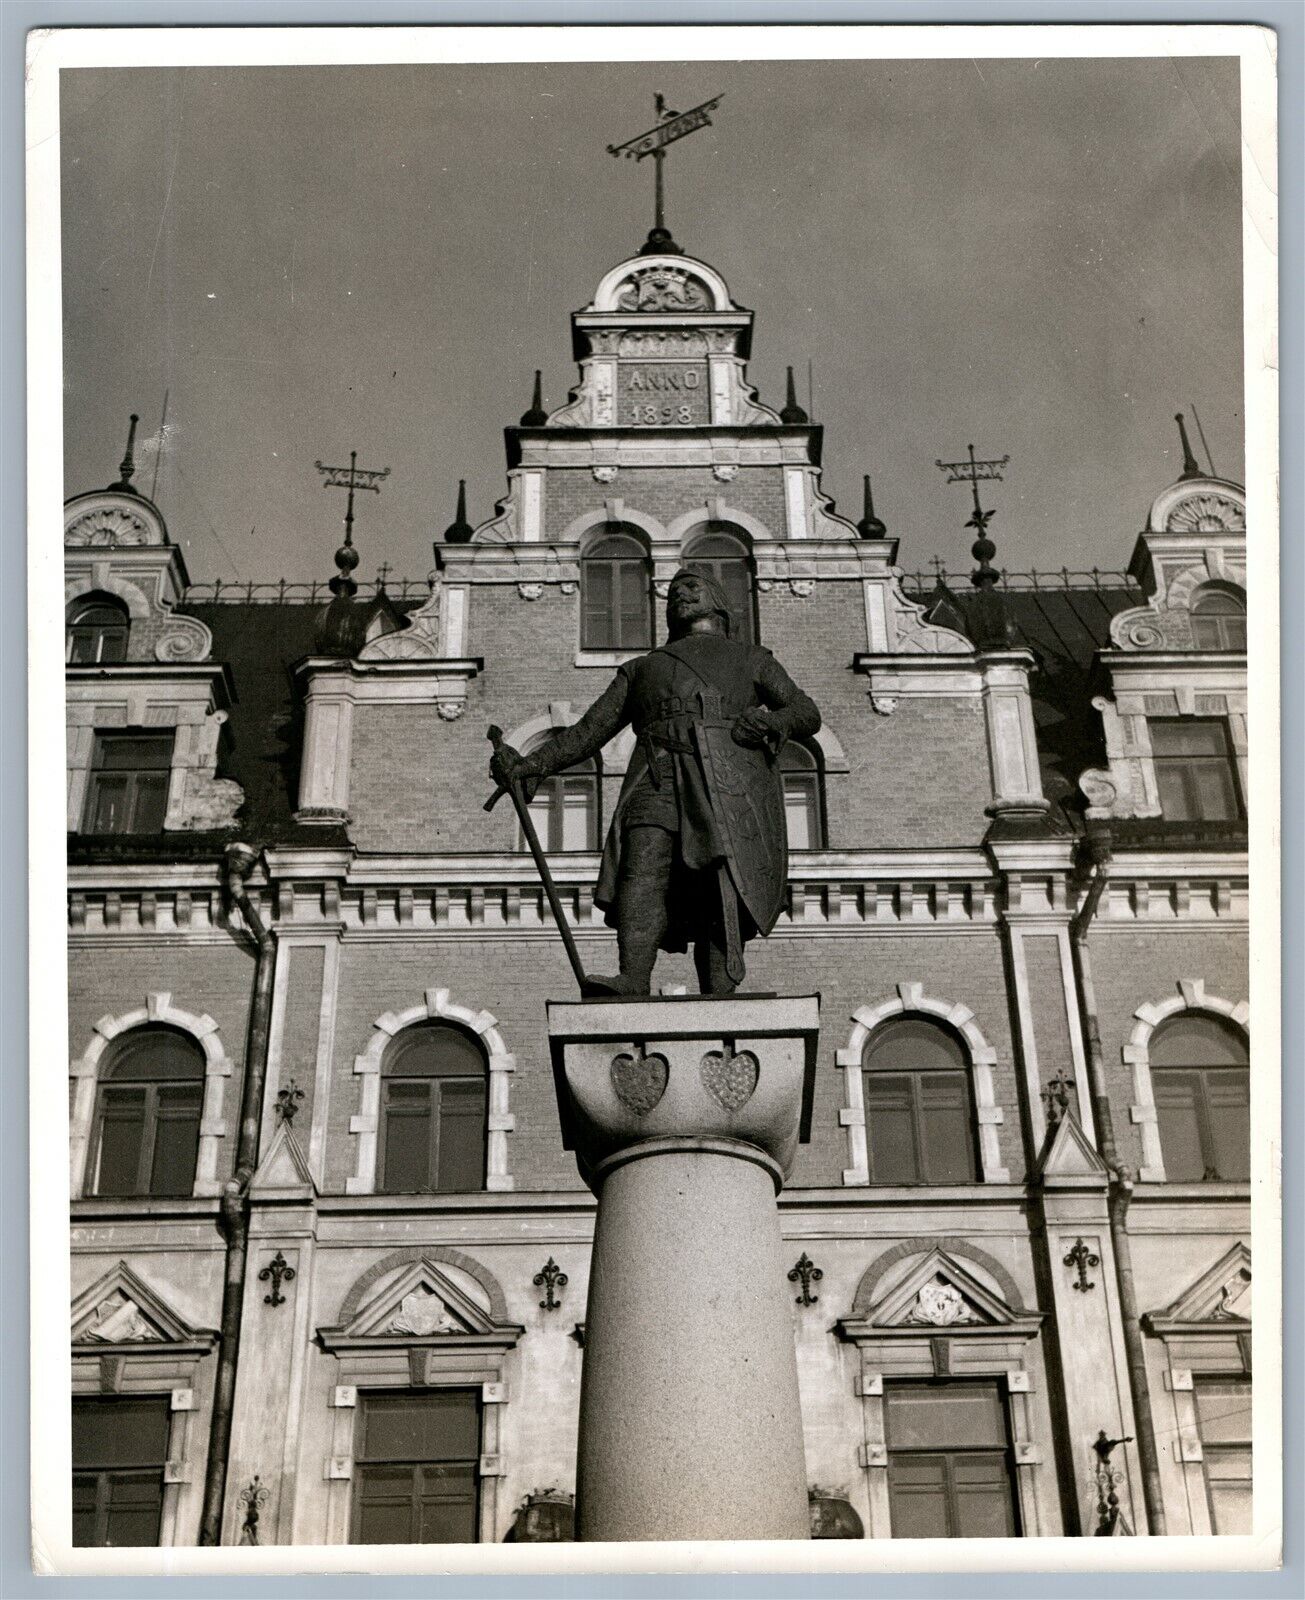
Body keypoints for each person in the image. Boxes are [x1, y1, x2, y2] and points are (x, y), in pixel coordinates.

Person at [489, 567, 821, 995]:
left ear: (719, 602)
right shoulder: (643, 669)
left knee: (721, 887)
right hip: (657, 777)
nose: (680, 594)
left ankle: (721, 990)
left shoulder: (752, 660)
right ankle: (632, 977)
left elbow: (806, 712)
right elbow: (589, 732)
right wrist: (529, 766)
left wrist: (768, 722)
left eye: (693, 586)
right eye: (674, 591)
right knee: (641, 869)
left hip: (724, 786)